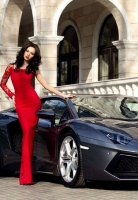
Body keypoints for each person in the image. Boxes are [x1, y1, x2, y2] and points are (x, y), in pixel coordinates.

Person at [0, 41, 75, 185]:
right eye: (27, 51)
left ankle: (26, 176)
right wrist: (12, 95)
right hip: (21, 105)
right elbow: (2, 84)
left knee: (28, 136)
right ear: (23, 51)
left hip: (33, 104)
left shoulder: (33, 69)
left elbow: (46, 85)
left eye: (32, 53)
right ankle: (25, 175)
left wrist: (63, 95)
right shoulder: (11, 67)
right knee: (26, 134)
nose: (28, 54)